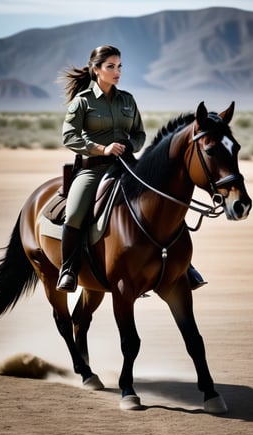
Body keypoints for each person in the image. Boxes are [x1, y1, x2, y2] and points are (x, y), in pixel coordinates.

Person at [56, 44, 206, 293]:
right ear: (96, 70)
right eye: (111, 66)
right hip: (93, 169)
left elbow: (139, 134)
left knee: (163, 201)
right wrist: (102, 149)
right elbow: (69, 137)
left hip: (128, 165)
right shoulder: (82, 102)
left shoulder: (127, 100)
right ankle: (69, 269)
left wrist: (129, 144)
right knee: (73, 214)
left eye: (120, 66)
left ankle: (183, 265)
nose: (117, 71)